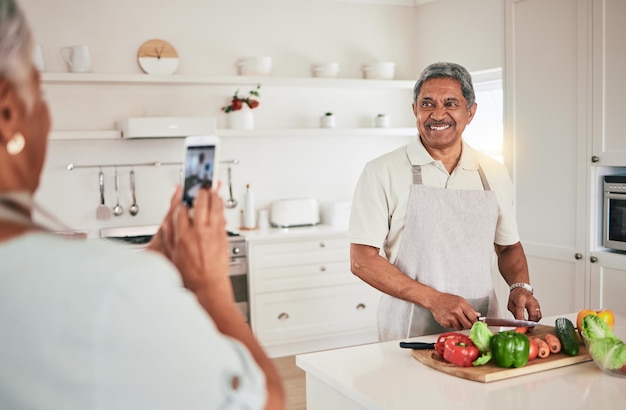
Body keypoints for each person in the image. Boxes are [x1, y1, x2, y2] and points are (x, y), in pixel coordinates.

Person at [0, 1, 284, 408]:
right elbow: (266, 402)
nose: (44, 114)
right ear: (8, 110)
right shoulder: (115, 289)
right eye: (40, 92)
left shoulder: (115, 283)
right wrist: (210, 286)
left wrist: (149, 262)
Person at [349, 62, 542, 341]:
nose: (437, 114)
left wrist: (520, 286)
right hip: (408, 327)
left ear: (471, 112)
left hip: (479, 326)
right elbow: (362, 261)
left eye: (450, 103)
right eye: (427, 104)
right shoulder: (382, 171)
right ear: (414, 109)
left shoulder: (493, 172)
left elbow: (508, 246)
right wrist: (434, 299)